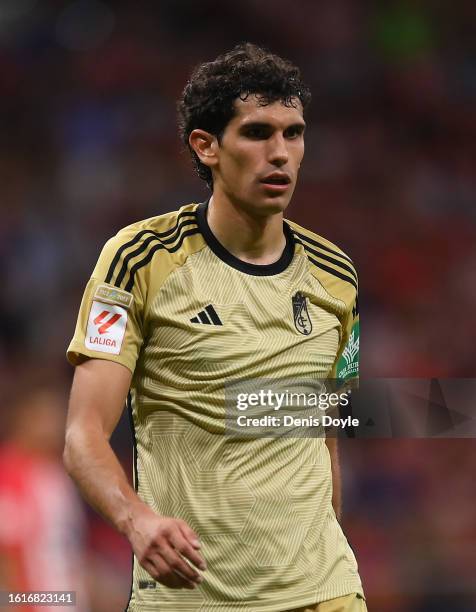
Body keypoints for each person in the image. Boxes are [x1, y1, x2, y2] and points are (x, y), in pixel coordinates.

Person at [64, 43, 364, 612]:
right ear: (207, 147)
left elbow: (326, 433)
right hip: (194, 597)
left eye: (293, 133)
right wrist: (137, 521)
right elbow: (83, 437)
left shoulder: (337, 277)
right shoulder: (139, 260)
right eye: (257, 133)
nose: (280, 154)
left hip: (327, 593)